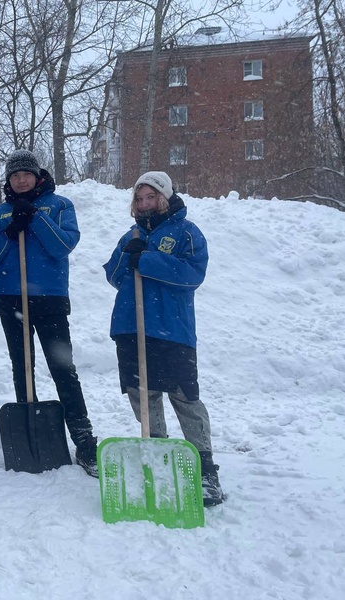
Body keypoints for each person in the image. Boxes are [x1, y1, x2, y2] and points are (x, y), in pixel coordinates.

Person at [102, 170, 225, 506]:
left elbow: (192, 275)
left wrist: (150, 259)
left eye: (150, 197)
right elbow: (114, 277)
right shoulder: (130, 235)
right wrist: (129, 254)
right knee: (141, 394)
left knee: (184, 395)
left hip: (172, 329)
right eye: (139, 199)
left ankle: (204, 468)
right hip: (130, 325)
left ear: (165, 197)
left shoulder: (186, 233)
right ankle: (157, 451)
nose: (144, 204)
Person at [0, 150, 99, 477]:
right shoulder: (0, 214)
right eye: (15, 175)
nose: (21, 179)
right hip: (11, 300)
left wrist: (34, 217)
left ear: (37, 175)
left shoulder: (59, 206)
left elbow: (62, 246)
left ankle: (83, 436)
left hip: (49, 300)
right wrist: (10, 231)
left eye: (26, 174)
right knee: (23, 366)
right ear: (8, 180)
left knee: (63, 368)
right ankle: (30, 427)